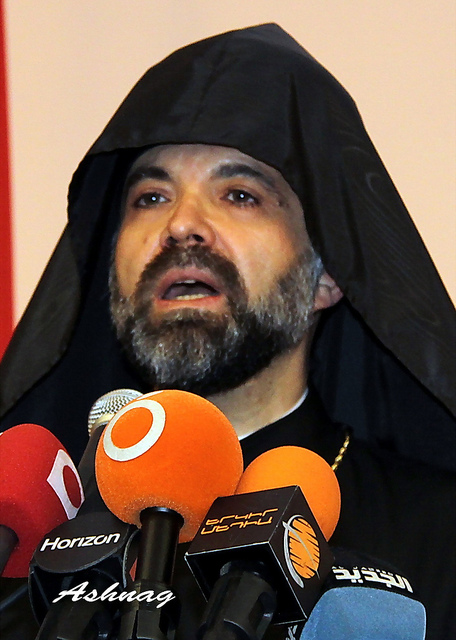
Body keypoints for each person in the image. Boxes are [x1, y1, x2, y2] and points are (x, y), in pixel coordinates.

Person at [0, 23, 454, 639]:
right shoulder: (30, 532)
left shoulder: (439, 534)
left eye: (239, 195)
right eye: (150, 197)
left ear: (328, 276)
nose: (182, 225)